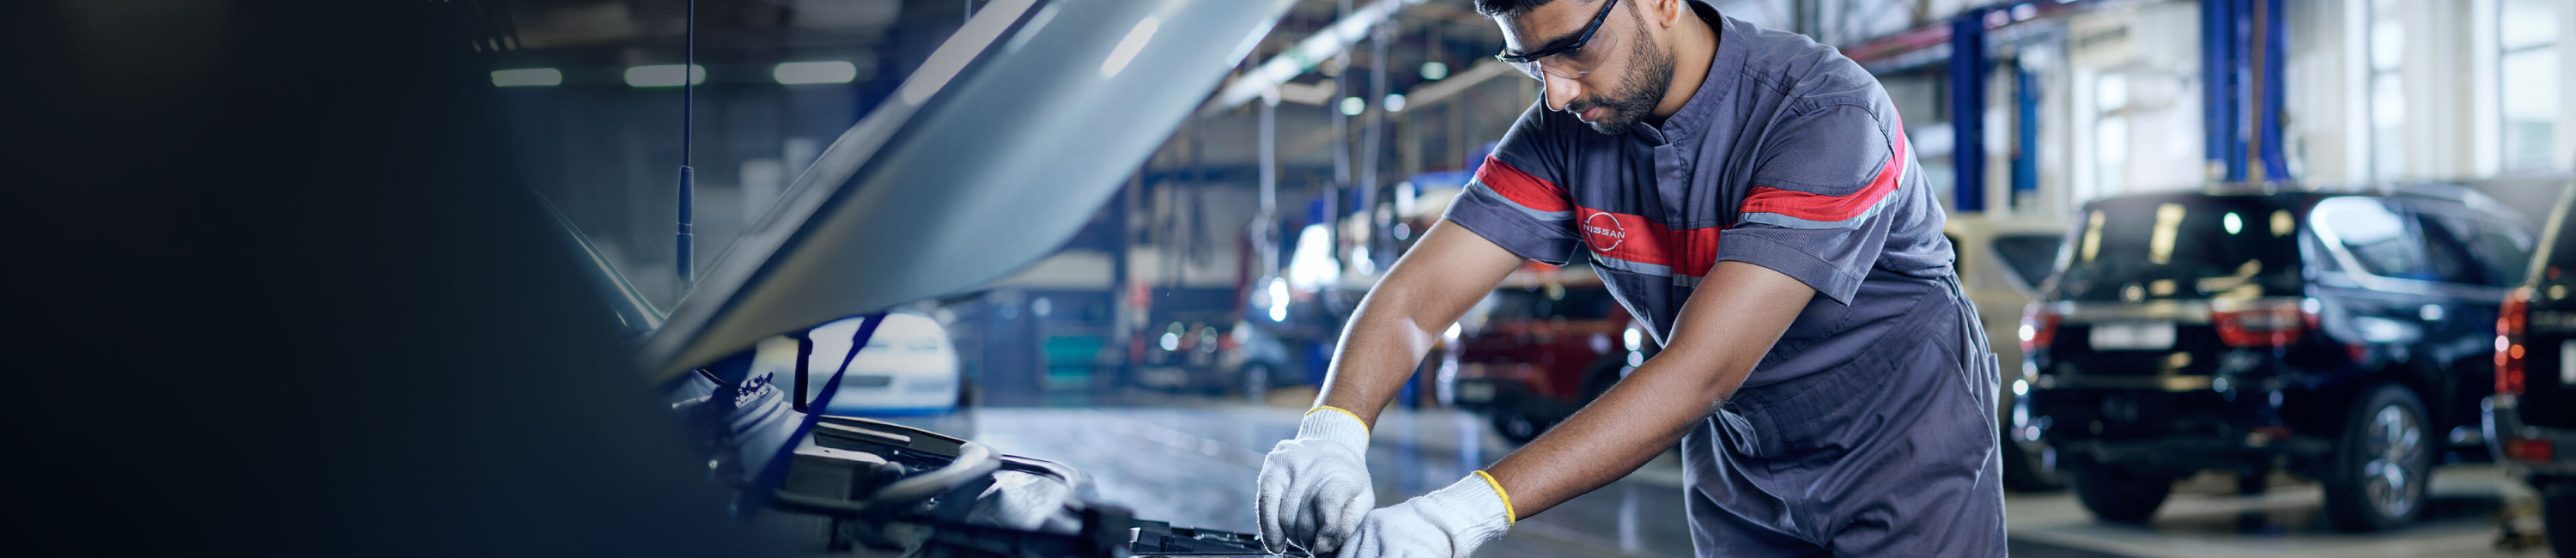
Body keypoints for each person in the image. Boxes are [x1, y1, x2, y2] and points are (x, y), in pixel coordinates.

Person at [1252, 0, 2006, 555]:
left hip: (1901, 448)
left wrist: (1462, 513)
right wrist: (1334, 430)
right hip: (1741, 461)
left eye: (1574, 49)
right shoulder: (1567, 131)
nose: (1557, 92)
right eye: (1531, 62)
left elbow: (1699, 370)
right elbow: (1419, 299)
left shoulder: (1823, 117)